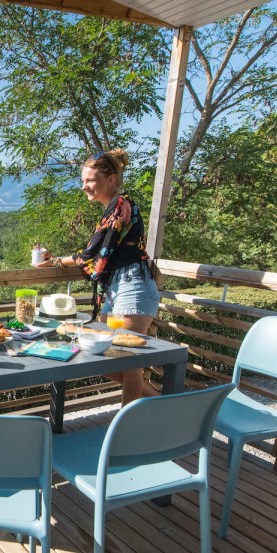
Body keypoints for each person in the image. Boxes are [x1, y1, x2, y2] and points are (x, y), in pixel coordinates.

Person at [33, 149, 160, 404]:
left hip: (132, 286)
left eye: (90, 180)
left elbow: (92, 253)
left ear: (110, 178)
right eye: (83, 181)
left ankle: (126, 430)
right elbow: (100, 254)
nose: (84, 187)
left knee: (129, 361)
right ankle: (168, 402)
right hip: (115, 288)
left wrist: (54, 262)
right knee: (103, 357)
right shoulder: (112, 208)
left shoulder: (121, 206)